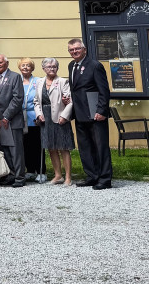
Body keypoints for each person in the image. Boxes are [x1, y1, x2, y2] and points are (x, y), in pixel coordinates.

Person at [67, 38, 112, 190]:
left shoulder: (95, 66)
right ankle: (92, 176)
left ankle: (105, 179)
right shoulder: (71, 65)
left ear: (84, 50)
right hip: (79, 113)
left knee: (101, 147)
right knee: (85, 147)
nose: (74, 52)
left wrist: (101, 110)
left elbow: (104, 90)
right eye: (71, 50)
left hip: (95, 113)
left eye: (77, 49)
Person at [0, 53, 26, 187]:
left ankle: (19, 177)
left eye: (0, 62)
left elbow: (18, 98)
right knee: (5, 149)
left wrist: (6, 116)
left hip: (12, 120)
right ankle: (10, 174)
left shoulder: (15, 77)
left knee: (16, 150)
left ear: (7, 63)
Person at [39, 57, 74, 186]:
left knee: (64, 147)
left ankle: (68, 177)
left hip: (60, 117)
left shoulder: (62, 82)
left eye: (54, 66)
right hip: (46, 118)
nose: (52, 69)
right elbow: (36, 102)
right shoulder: (40, 82)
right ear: (44, 68)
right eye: (49, 67)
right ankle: (58, 175)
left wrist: (64, 116)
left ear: (57, 68)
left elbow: (70, 101)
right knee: (51, 148)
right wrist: (39, 114)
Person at [19, 57, 45, 182]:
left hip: (33, 116)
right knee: (25, 145)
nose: (25, 67)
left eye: (28, 65)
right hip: (20, 117)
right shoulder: (17, 81)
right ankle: (29, 170)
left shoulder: (38, 81)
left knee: (37, 144)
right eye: (23, 65)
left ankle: (41, 171)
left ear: (32, 68)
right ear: (19, 67)